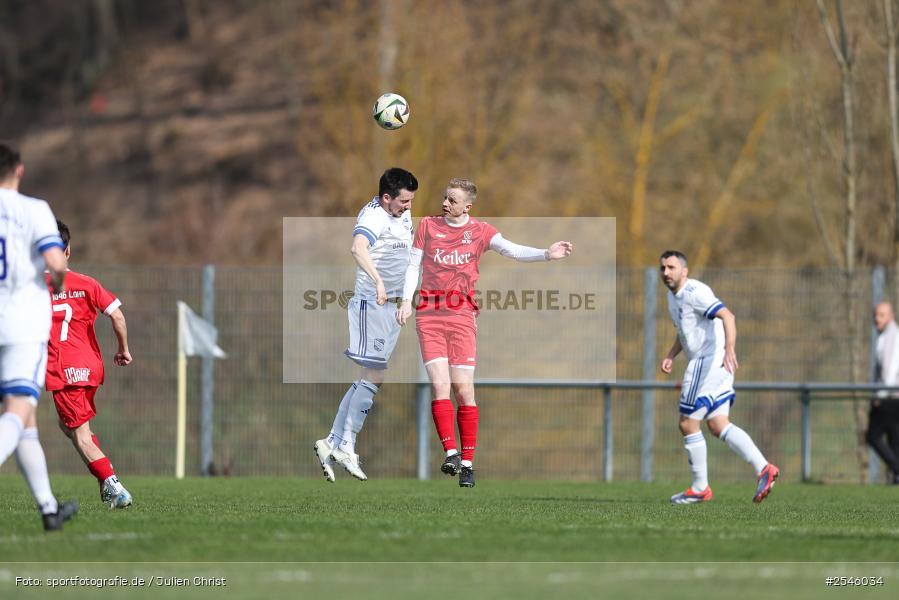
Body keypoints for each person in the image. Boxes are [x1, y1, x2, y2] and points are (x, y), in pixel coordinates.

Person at [397, 178, 573, 488]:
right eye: (444, 198)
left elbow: (513, 251)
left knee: (463, 390)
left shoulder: (480, 232)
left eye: (452, 200)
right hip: (429, 315)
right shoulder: (427, 226)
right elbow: (413, 266)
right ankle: (450, 453)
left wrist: (547, 253)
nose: (445, 203)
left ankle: (467, 463)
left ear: (467, 206)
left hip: (462, 316)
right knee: (440, 385)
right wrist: (405, 301)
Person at [314, 167, 418, 482]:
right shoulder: (373, 217)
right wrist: (379, 283)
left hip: (393, 305)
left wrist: (405, 297)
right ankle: (346, 443)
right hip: (371, 303)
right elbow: (358, 248)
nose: (408, 207)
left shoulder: (401, 212)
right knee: (375, 372)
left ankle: (333, 441)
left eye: (412, 201)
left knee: (373, 375)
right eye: (403, 202)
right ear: (386, 198)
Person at [659, 250, 779, 504]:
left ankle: (700, 487)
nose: (666, 272)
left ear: (684, 271)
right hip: (716, 364)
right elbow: (685, 332)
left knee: (687, 423)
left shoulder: (695, 292)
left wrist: (730, 349)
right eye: (663, 268)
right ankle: (764, 468)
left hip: (710, 361)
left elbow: (728, 316)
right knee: (717, 424)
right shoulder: (673, 298)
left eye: (671, 267)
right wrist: (671, 354)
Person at [0, 143, 78, 530]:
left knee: (24, 419)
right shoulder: (34, 210)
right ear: (19, 171)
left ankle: (48, 508)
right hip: (20, 326)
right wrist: (60, 280)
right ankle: (47, 507)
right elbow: (54, 262)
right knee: (18, 410)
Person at [46, 220, 134, 507]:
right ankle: (104, 480)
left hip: (63, 368)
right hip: (91, 367)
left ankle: (114, 487)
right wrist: (123, 349)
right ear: (68, 251)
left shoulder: (35, 286)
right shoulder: (87, 283)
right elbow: (117, 316)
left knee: (80, 434)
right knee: (68, 424)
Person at [867, 301, 899, 484]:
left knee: (872, 436)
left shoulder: (893, 335)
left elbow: (890, 371)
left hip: (890, 397)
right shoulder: (883, 336)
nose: (876, 319)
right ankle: (896, 478)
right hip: (891, 395)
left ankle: (897, 470)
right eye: (876, 314)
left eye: (881, 315)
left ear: (891, 316)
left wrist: (878, 397)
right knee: (895, 441)